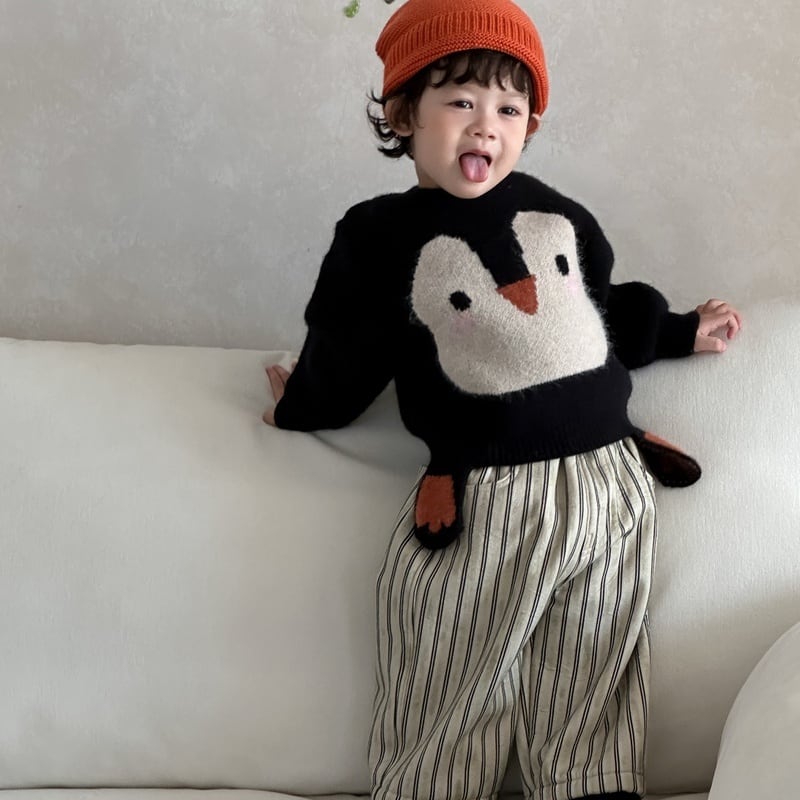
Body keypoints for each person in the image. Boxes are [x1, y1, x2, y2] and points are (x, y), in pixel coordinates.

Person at [262, 1, 742, 798]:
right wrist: (300, 405)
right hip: (485, 495)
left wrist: (682, 330)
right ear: (403, 114)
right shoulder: (379, 235)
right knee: (450, 660)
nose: (486, 124)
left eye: (509, 108)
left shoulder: (559, 213)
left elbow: (597, 311)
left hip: (609, 484)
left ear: (529, 127)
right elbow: (347, 346)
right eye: (461, 100)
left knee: (592, 665)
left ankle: (590, 785)